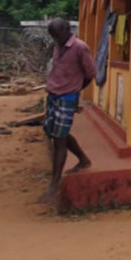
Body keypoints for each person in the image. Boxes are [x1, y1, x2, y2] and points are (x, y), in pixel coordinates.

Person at [39, 18, 95, 204]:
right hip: (53, 95)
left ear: (66, 30)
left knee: (59, 140)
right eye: (52, 35)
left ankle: (54, 184)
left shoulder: (80, 47)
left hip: (67, 97)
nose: (55, 38)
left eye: (57, 34)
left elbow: (90, 74)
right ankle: (83, 159)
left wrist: (75, 90)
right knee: (55, 132)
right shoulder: (58, 46)